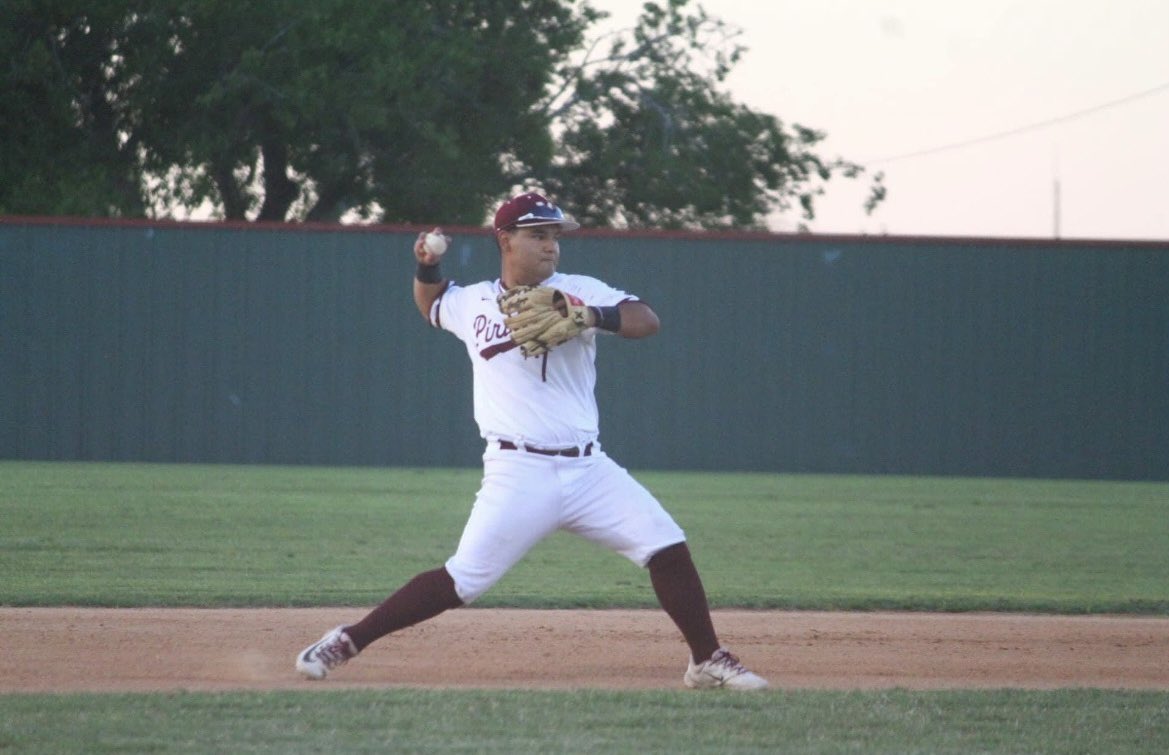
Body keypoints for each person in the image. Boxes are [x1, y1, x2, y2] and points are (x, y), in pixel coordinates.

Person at [296, 192, 767, 690]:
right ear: (505, 240)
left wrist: (590, 316)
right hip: (518, 471)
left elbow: (647, 320)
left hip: (590, 470)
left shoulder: (579, 289)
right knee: (462, 581)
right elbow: (432, 304)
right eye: (537, 235)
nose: (550, 247)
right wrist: (428, 267)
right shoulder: (474, 300)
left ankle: (706, 660)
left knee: (666, 546)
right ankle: (347, 640)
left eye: (554, 236)